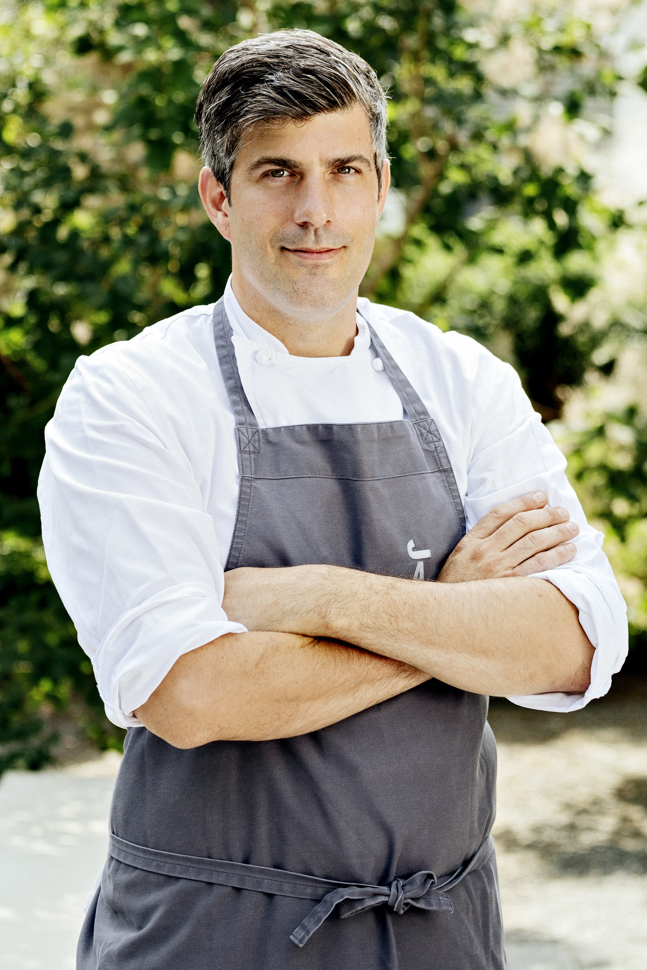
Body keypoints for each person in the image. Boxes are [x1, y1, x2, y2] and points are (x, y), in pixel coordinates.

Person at [38, 29, 627, 970]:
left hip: (441, 932)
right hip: (210, 937)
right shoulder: (131, 396)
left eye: (343, 168)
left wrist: (316, 595)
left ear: (380, 188)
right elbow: (188, 694)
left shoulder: (461, 379)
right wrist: (456, 613)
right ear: (218, 197)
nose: (315, 209)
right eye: (277, 173)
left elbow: (574, 644)